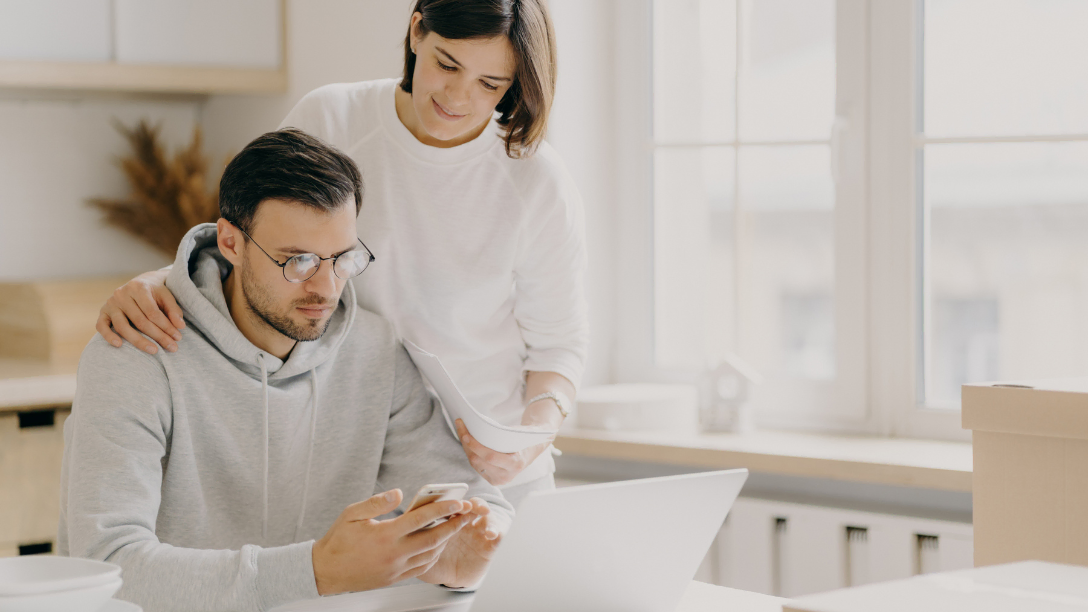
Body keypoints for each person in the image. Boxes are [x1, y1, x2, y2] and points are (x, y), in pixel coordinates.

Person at [94, 0, 589, 508]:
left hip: (490, 478)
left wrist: (531, 438)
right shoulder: (332, 118)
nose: (459, 98)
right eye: (447, 64)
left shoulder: (535, 179)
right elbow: (253, 237)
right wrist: (162, 283)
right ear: (417, 31)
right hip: (349, 466)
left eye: (491, 84)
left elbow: (559, 345)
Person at [59, 129, 513, 612]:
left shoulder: (375, 350)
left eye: (342, 259)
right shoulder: (135, 350)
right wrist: (315, 572)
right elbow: (107, 568)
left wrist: (463, 557)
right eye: (297, 261)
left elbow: (484, 508)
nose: (325, 287)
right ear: (231, 242)